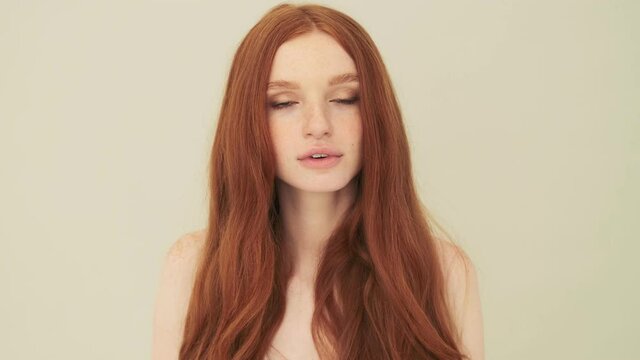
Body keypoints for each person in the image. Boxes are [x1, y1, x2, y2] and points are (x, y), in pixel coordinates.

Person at [152, 3, 484, 360]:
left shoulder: (443, 271)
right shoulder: (193, 268)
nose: (318, 124)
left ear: (376, 113)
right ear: (248, 122)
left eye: (344, 99)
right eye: (283, 103)